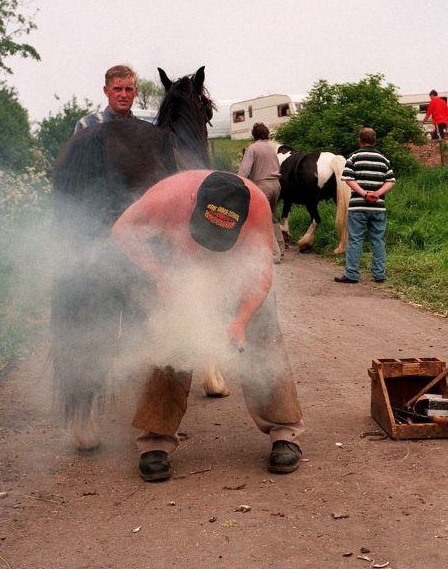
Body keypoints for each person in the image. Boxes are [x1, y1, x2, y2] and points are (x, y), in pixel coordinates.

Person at [112, 170, 305, 481]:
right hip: (179, 267)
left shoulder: (256, 204)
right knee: (171, 337)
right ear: (193, 202)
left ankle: (285, 434)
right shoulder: (166, 198)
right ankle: (155, 442)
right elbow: (122, 231)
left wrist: (241, 320)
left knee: (264, 332)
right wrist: (159, 274)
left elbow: (260, 272)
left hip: (237, 269)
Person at [334, 128, 395, 284]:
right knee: (378, 240)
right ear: (375, 140)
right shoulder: (383, 159)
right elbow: (391, 181)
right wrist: (377, 193)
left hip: (358, 207)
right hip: (378, 207)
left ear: (360, 140)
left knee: (355, 240)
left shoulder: (354, 157)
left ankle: (352, 274)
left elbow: (348, 178)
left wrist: (364, 194)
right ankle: (379, 274)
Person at [238, 123, 284, 263]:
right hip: (276, 185)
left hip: (263, 186)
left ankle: (274, 255)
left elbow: (244, 171)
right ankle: (281, 249)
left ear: (254, 135)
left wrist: (238, 183)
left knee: (264, 219)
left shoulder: (252, 148)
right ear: (266, 134)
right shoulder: (271, 149)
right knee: (273, 217)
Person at [74, 64, 139, 134]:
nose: (124, 95)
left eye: (128, 89)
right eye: (118, 89)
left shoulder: (142, 130)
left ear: (135, 92)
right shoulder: (87, 125)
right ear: (106, 91)